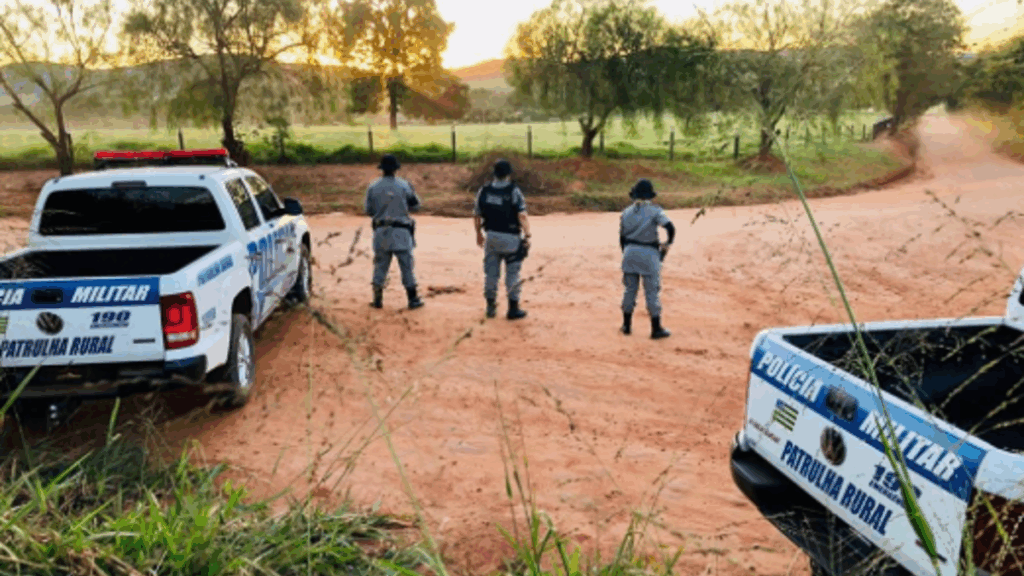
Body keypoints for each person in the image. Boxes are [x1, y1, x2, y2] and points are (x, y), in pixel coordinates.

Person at [473, 159, 532, 320]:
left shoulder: (484, 190)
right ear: (508, 174)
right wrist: (527, 235)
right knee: (512, 274)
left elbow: (477, 215)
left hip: (491, 237)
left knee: (491, 274)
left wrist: (478, 234)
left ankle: (490, 307)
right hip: (511, 238)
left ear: (494, 174)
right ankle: (513, 309)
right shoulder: (513, 191)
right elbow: (522, 215)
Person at [364, 154, 424, 310]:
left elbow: (368, 210)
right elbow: (416, 206)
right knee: (407, 267)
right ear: (396, 169)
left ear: (382, 169)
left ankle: (377, 299)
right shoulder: (405, 185)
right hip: (401, 232)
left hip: (381, 232)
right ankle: (413, 299)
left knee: (380, 266)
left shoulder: (373, 186)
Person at [619, 178, 674, 339]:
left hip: (629, 252)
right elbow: (670, 228)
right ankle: (656, 328)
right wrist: (667, 245)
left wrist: (626, 252)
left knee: (630, 290)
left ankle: (626, 325)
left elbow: (621, 238)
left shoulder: (626, 212)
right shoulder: (655, 211)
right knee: (651, 292)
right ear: (650, 195)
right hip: (649, 254)